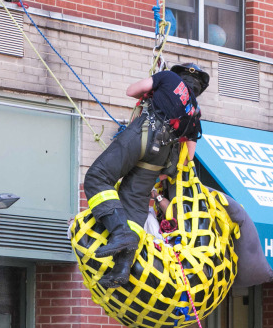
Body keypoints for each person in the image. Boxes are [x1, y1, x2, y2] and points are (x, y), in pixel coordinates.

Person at [84, 63, 209, 289]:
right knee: (133, 204)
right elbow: (188, 156)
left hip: (144, 134)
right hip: (158, 158)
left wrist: (152, 91)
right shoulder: (195, 112)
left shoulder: (168, 78)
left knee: (98, 177)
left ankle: (120, 232)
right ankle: (122, 269)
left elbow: (131, 91)